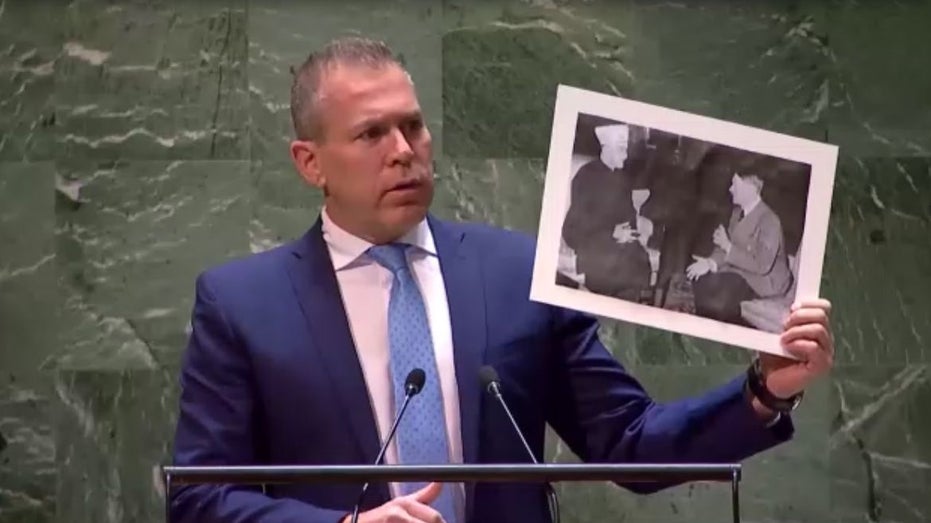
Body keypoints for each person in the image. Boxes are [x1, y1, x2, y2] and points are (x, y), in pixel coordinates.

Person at [169, 36, 835, 523]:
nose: (403, 150)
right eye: (371, 134)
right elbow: (198, 496)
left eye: (412, 126)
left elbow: (627, 443)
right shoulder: (242, 303)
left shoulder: (514, 272)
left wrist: (763, 389)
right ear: (309, 162)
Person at [560, 124, 653, 301]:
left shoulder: (623, 179)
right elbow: (572, 230)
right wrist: (612, 234)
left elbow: (629, 219)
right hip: (598, 257)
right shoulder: (586, 176)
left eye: (626, 150)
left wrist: (631, 234)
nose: (625, 156)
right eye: (620, 149)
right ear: (606, 148)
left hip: (624, 257)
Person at [686, 172, 793, 326]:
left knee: (721, 298)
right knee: (703, 279)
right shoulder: (737, 213)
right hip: (743, 270)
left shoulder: (769, 220)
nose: (730, 189)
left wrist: (728, 246)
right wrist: (710, 263)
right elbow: (726, 247)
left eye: (734, 185)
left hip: (766, 281)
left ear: (750, 189)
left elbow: (763, 265)